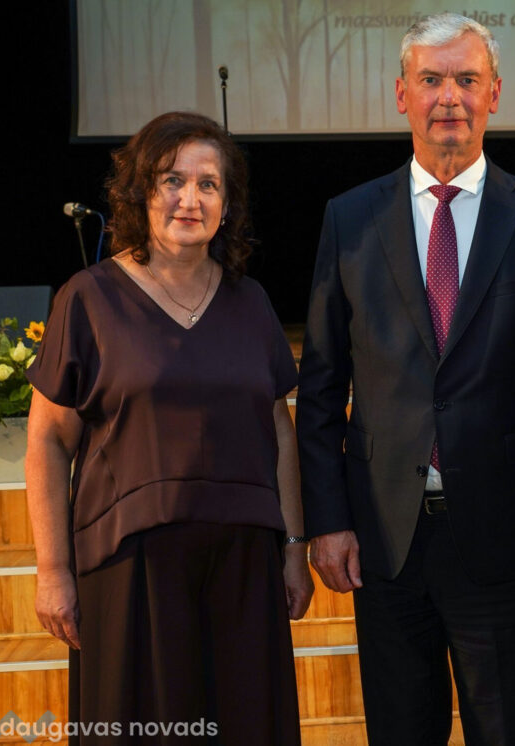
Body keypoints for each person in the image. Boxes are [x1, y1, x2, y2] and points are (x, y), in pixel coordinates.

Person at [296, 12, 515, 746]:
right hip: (384, 540)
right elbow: (322, 385)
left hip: (508, 538)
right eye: (431, 79)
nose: (449, 96)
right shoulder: (349, 218)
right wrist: (327, 519)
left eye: (467, 79)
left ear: (496, 93)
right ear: (402, 94)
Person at [25, 111, 311, 745]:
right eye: (172, 180)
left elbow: (280, 430)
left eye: (209, 184)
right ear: (140, 193)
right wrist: (53, 569)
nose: (191, 199)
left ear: (227, 204)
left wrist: (295, 549)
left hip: (245, 568)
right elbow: (47, 440)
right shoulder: (89, 297)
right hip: (130, 570)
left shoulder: (251, 302)